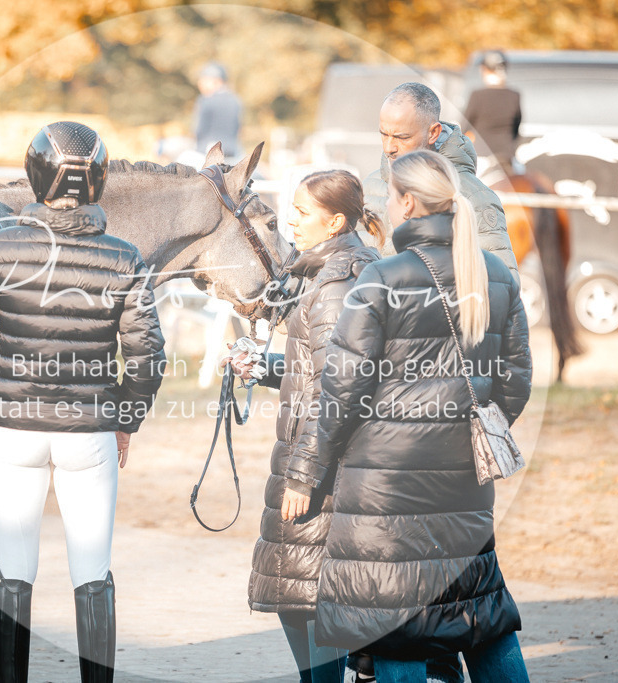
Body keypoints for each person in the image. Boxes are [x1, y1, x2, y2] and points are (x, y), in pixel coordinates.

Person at [0, 121, 166, 683]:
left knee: (12, 574)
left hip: (13, 432)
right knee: (93, 575)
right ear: (98, 181)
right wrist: (125, 419)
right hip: (90, 435)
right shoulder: (125, 258)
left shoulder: (1, 248)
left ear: (35, 175)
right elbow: (148, 357)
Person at [299, 149, 532, 682]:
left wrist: (311, 470)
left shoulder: (381, 277)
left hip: (386, 486)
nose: (385, 204)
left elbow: (342, 389)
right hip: (464, 479)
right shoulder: (494, 272)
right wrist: (461, 432)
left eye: (390, 194)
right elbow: (516, 381)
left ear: (406, 203)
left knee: (395, 628)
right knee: (480, 617)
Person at [224, 170, 381, 683]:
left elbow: (339, 390)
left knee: (306, 599)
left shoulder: (336, 285)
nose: (290, 220)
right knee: (298, 597)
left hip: (322, 468)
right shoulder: (331, 273)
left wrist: (302, 475)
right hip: (319, 458)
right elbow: (319, 369)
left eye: (302, 211)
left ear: (335, 222)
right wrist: (263, 366)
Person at [363, 82, 519, 285]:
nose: (389, 147)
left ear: (433, 133)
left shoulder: (474, 198)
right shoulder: (370, 186)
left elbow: (502, 287)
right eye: (383, 134)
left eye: (402, 137)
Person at [463, 50, 522, 177]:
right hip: (508, 157)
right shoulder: (514, 95)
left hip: (482, 156)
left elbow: (464, 127)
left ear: (484, 70)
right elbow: (516, 130)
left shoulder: (477, 95)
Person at [192, 61, 243, 158]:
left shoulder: (206, 100)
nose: (200, 83)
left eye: (204, 80)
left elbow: (198, 130)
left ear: (216, 81)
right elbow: (238, 128)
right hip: (233, 151)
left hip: (207, 151)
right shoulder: (235, 100)